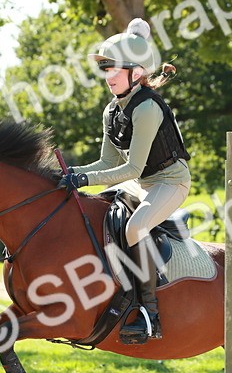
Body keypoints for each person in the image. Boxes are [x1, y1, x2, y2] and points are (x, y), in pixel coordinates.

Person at [61, 18, 191, 343]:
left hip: (169, 182)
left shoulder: (146, 108)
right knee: (99, 209)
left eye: (115, 69)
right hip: (142, 182)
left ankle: (150, 313)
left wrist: (84, 177)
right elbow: (107, 163)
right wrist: (70, 175)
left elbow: (131, 168)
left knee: (134, 228)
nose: (109, 77)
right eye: (106, 69)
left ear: (137, 72)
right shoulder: (111, 111)